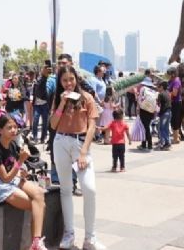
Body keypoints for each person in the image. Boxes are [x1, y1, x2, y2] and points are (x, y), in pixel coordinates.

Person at [49, 65, 105, 250]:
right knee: (65, 189)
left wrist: (83, 152)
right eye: (64, 80)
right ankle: (69, 234)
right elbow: (54, 124)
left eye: (71, 79)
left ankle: (90, 237)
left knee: (89, 189)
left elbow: (92, 126)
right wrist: (62, 104)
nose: (68, 84)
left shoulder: (87, 98)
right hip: (61, 142)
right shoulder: (58, 98)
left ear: (76, 79)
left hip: (80, 144)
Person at [0, 114, 47, 250]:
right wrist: (20, 161)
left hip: (12, 179)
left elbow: (14, 168)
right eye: (9, 127)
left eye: (15, 127)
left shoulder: (12, 144)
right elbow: (5, 177)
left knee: (39, 195)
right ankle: (35, 244)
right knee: (35, 205)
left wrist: (22, 171)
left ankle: (36, 242)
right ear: (0, 130)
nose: (13, 130)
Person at [31, 63, 52, 144]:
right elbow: (36, 90)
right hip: (37, 104)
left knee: (45, 121)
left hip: (45, 104)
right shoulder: (38, 80)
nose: (45, 70)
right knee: (35, 120)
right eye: (44, 68)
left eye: (46, 69)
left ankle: (43, 138)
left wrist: (45, 76)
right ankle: (35, 137)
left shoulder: (48, 79)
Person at [167, 67, 183, 144]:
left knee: (175, 120)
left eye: (169, 74)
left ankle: (176, 138)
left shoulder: (176, 81)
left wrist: (166, 94)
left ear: (173, 74)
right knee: (173, 120)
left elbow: (175, 93)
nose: (168, 76)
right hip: (172, 102)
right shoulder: (171, 81)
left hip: (176, 102)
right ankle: (177, 136)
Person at [157, 81, 172, 151]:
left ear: (162, 87)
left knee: (162, 128)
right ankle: (167, 143)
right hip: (169, 112)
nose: (158, 88)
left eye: (159, 87)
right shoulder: (168, 93)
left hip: (164, 113)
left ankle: (167, 143)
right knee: (166, 128)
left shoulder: (160, 94)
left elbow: (158, 104)